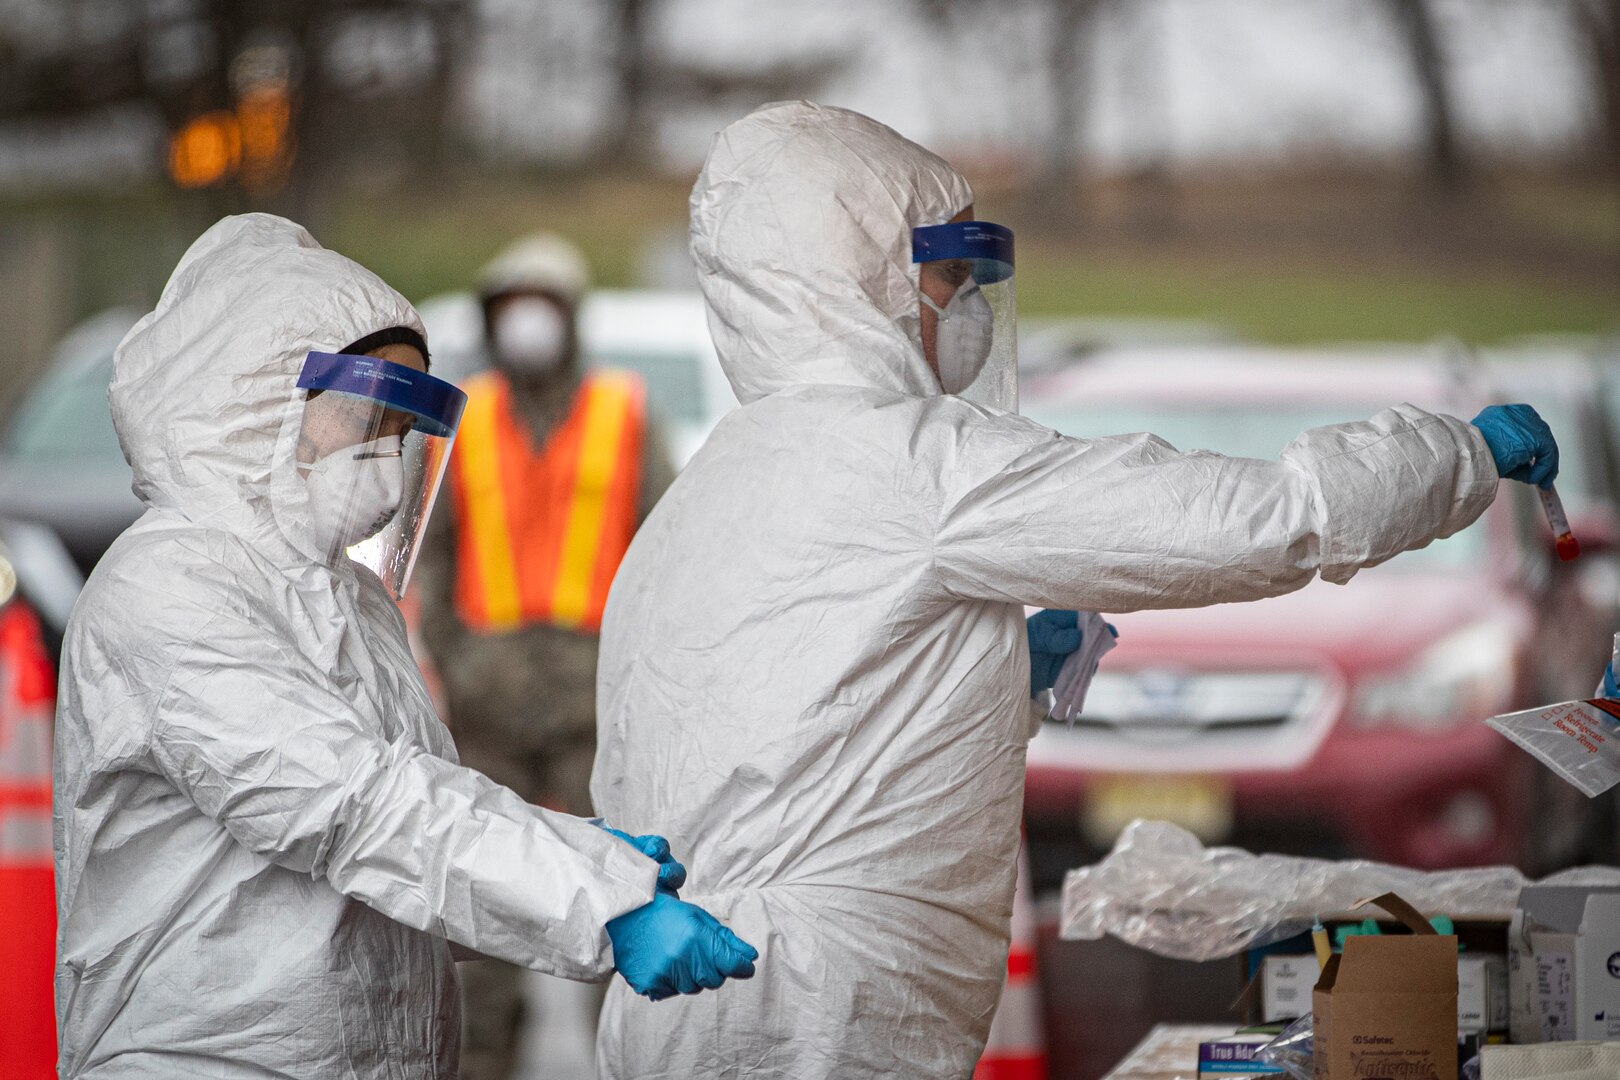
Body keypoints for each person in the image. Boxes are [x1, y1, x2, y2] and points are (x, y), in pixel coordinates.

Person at [589, 101, 1559, 1078]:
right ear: (857, 276)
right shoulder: (915, 463)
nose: (964, 308)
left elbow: (809, 743)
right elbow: (1257, 518)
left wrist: (1003, 684)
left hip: (686, 1008)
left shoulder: (697, 500)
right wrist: (1461, 453)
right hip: (816, 1015)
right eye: (946, 277)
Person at [52, 213, 755, 1080]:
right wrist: (597, 895)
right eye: (365, 416)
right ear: (259, 402)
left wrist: (577, 858)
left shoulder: (346, 599)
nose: (386, 454)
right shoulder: (168, 591)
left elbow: (399, 862)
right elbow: (356, 807)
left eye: (400, 425)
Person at [411, 233, 677, 1080]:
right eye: (510, 306)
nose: (527, 323)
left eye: (543, 305)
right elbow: (434, 551)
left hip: (594, 707)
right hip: (488, 709)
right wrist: (457, 659)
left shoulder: (625, 410)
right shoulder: (466, 417)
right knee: (485, 922)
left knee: (624, 900)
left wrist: (637, 672)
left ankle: (628, 1066)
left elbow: (664, 547)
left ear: (570, 316)